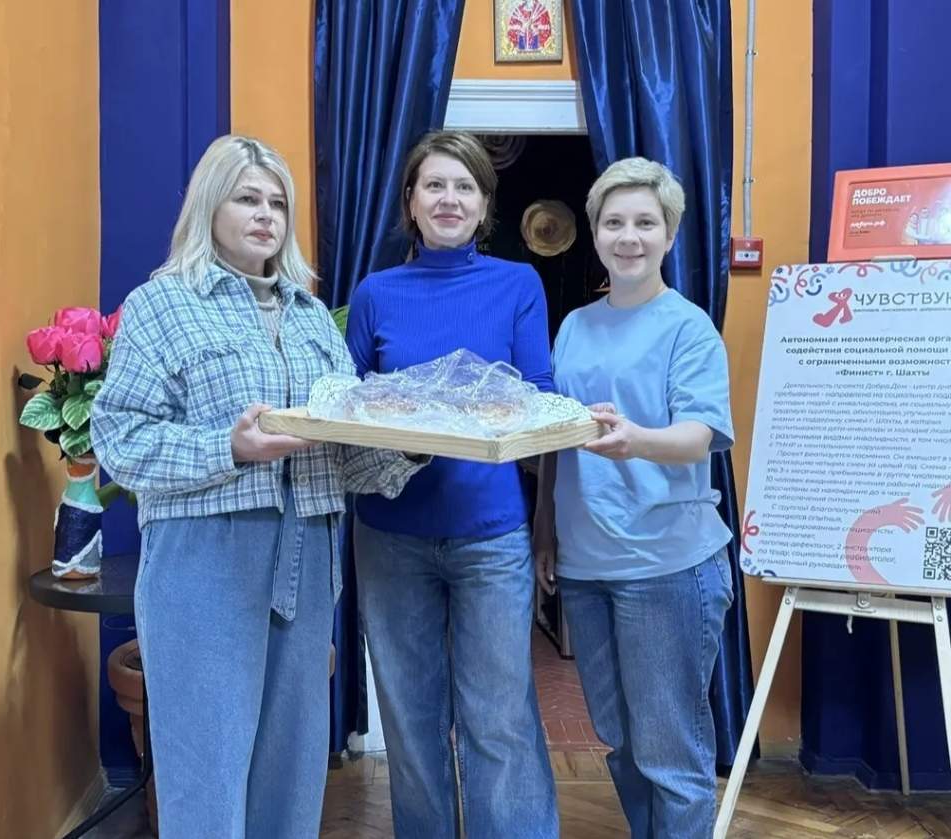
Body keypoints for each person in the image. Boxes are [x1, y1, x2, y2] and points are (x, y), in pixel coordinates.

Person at [90, 134, 426, 839]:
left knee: (292, 770)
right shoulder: (163, 305)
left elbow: (342, 458)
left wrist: (414, 444)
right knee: (206, 769)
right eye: (248, 198)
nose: (266, 214)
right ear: (210, 206)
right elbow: (119, 442)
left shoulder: (312, 318)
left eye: (278, 202)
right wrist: (230, 448)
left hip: (310, 557)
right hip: (204, 559)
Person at [345, 131, 559, 838]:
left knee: (498, 717)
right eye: (434, 185)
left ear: (484, 205)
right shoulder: (375, 293)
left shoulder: (517, 285)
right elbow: (348, 406)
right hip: (389, 534)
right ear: (410, 201)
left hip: (489, 535)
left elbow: (538, 396)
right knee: (410, 718)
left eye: (464, 186)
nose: (449, 199)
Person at [533, 156, 735, 839]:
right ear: (594, 233)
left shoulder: (688, 327)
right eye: (614, 222)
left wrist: (636, 439)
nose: (629, 237)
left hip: (667, 567)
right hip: (586, 566)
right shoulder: (573, 326)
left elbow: (700, 436)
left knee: (668, 752)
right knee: (620, 739)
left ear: (670, 234)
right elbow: (557, 439)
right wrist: (545, 528)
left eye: (645, 223)